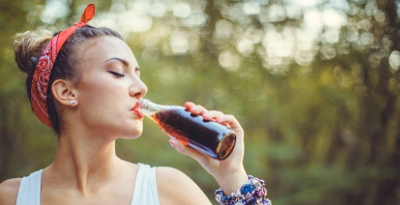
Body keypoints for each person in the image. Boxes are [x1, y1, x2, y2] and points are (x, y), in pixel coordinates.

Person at [0, 4, 270, 205]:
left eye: (138, 74)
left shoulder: (167, 190)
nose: (141, 88)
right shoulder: (12, 197)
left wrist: (232, 175)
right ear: (66, 92)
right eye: (117, 72)